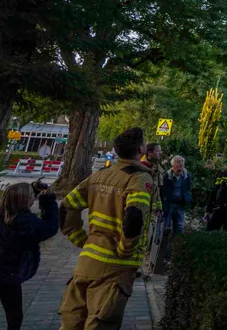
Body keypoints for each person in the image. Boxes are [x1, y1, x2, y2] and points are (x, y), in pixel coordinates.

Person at [57, 127, 156, 330]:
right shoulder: (139, 178)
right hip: (114, 269)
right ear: (140, 149)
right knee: (101, 322)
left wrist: (79, 238)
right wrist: (126, 250)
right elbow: (135, 216)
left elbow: (67, 206)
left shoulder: (100, 175)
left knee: (71, 322)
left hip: (86, 263)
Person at [0, 180, 59, 330]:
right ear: (25, 200)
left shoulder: (4, 216)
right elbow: (50, 227)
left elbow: (16, 197)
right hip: (8, 276)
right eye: (32, 195)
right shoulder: (26, 222)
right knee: (14, 316)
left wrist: (33, 189)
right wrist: (48, 200)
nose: (34, 197)